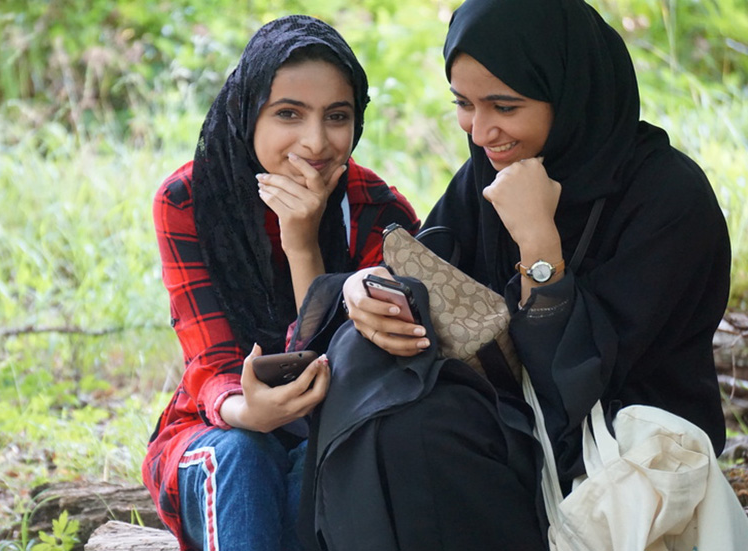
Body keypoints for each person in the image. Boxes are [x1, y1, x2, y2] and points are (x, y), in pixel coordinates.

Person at [297, 0, 731, 549]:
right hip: (507, 426)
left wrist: (538, 241)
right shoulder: (487, 171)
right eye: (463, 104)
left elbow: (576, 385)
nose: (480, 132)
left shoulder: (670, 201)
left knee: (422, 430)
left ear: (571, 93)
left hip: (610, 457)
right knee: (365, 366)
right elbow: (430, 276)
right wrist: (366, 290)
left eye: (503, 105)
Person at [141, 15, 420, 551]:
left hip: (337, 428)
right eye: (289, 114)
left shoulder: (380, 212)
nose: (316, 142)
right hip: (215, 430)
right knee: (247, 456)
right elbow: (211, 360)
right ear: (249, 113)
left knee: (316, 465)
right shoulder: (190, 200)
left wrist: (303, 244)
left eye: (336, 116)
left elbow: (353, 370)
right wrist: (249, 412)